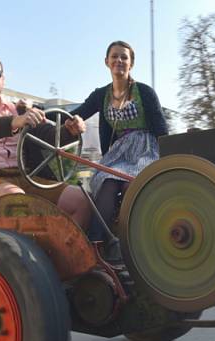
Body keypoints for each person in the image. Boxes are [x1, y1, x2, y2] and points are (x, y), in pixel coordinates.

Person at [0, 52, 90, 228]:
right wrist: (14, 122)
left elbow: (49, 135)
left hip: (27, 177)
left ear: (3, 79)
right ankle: (32, 253)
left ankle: (68, 252)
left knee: (81, 201)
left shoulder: (20, 110)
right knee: (17, 200)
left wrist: (70, 130)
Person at [70, 40, 169, 244]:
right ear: (106, 61)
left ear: (131, 63)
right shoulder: (101, 95)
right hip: (119, 151)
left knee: (130, 186)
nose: (119, 60)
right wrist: (37, 113)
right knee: (108, 181)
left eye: (124, 57)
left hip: (145, 149)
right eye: (114, 56)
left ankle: (136, 245)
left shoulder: (145, 92)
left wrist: (167, 160)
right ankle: (97, 244)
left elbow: (161, 129)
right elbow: (74, 115)